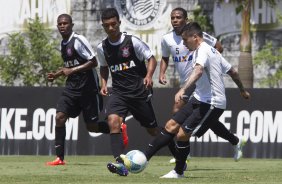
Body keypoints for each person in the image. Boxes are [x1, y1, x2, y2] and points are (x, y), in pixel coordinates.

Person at [123, 22, 250, 178]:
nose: (183, 43)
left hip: (212, 102)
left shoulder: (203, 50)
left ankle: (179, 171)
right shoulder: (212, 51)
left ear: (195, 37)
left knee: (182, 135)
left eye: (185, 40)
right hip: (199, 97)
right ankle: (143, 158)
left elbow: (198, 70)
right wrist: (242, 90)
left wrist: (183, 89)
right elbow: (233, 72)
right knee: (171, 125)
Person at [96, 8, 177, 176]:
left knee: (153, 130)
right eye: (106, 26)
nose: (111, 28)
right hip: (118, 93)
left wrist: (148, 76)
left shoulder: (132, 42)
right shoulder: (102, 47)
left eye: (113, 24)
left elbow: (151, 58)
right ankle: (121, 164)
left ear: (119, 22)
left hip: (139, 92)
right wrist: (103, 83)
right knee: (113, 121)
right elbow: (104, 68)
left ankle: (179, 154)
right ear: (103, 26)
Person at [159, 7, 245, 164]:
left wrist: (211, 63)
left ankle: (183, 152)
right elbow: (165, 57)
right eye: (173, 18)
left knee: (181, 112)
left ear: (186, 20)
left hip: (199, 82)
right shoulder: (167, 39)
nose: (175, 20)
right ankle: (234, 140)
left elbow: (218, 46)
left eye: (178, 17)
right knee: (207, 121)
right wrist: (162, 73)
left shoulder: (197, 36)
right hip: (187, 81)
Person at [46, 14, 128, 166]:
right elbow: (69, 67)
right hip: (71, 88)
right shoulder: (64, 43)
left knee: (92, 127)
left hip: (88, 89)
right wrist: (57, 75)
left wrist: (73, 70)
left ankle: (118, 128)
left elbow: (93, 61)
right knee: (59, 117)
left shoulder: (78, 40)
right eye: (60, 24)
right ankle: (59, 158)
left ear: (71, 25)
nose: (62, 26)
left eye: (65, 23)